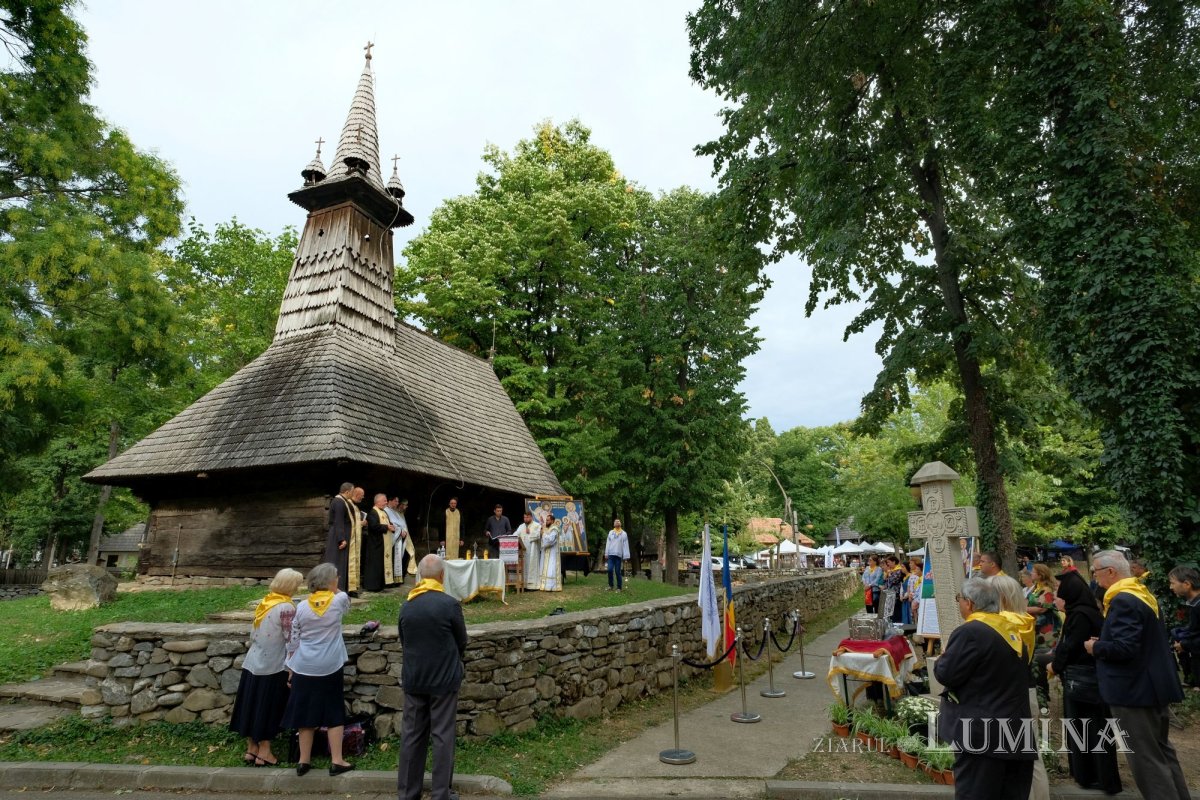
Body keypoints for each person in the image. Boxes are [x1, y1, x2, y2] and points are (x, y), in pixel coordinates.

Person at [1084, 550, 1188, 799]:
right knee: (1161, 752)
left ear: (1110, 572)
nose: (1094, 578)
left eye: (1095, 571)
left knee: (1145, 760)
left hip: (1134, 692)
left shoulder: (1123, 600)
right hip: (1151, 685)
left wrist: (1095, 647)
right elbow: (1141, 641)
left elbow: (1125, 648)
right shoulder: (1141, 594)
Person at [934, 577, 1036, 799]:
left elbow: (946, 674)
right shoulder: (1013, 630)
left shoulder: (970, 632)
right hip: (1015, 729)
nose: (959, 603)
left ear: (969, 603)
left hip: (981, 734)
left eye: (959, 599)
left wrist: (942, 658)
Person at [397, 554, 468, 800]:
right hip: (444, 679)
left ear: (420, 577)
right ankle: (440, 793)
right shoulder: (449, 604)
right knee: (442, 736)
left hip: (415, 678)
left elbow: (404, 641)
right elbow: (462, 641)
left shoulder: (407, 605)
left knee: (411, 736)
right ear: (441, 576)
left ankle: (407, 792)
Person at [1049, 569, 1121, 795]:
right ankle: (1090, 776)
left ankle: (1094, 777)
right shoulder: (1084, 611)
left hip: (1084, 681)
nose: (1057, 595)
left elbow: (1071, 646)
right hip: (1088, 679)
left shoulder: (1079, 615)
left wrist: (1055, 665)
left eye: (1060, 591)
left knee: (1088, 728)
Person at [281, 562, 354, 777]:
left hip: (304, 665)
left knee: (305, 713)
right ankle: (337, 760)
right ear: (330, 581)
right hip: (330, 664)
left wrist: (290, 667)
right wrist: (335, 588)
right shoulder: (338, 600)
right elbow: (346, 601)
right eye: (336, 577)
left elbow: (293, 639)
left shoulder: (302, 606)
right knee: (333, 711)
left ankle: (304, 761)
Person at [229, 567, 303, 767]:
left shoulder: (266, 602)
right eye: (296, 585)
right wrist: (293, 666)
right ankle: (265, 751)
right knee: (268, 706)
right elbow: (291, 638)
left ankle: (251, 748)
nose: (298, 588)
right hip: (274, 664)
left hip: (254, 660)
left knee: (251, 704)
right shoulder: (286, 607)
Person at [988, 575, 1048, 800]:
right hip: (1025, 689)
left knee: (1012, 762)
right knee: (1032, 757)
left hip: (1004, 696)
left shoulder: (1002, 623)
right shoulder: (1024, 620)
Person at [1022, 563, 1061, 709]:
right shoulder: (1037, 589)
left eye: (1034, 572)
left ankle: (1044, 699)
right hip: (1037, 632)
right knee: (1036, 667)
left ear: (1041, 574)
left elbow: (1042, 608)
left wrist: (1023, 609)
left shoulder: (1047, 590)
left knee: (1041, 664)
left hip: (1047, 634)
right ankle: (1042, 699)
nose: (1031, 574)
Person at [323, 482, 361, 593]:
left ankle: (341, 588)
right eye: (353, 492)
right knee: (337, 562)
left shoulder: (343, 501)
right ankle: (336, 588)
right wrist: (341, 539)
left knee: (342, 563)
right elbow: (338, 521)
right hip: (337, 537)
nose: (353, 494)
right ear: (347, 491)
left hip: (341, 535)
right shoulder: (339, 502)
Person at [361, 493, 393, 592]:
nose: (386, 502)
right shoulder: (373, 512)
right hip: (375, 544)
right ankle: (372, 586)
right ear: (378, 501)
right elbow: (373, 526)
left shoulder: (383, 512)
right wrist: (386, 527)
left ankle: (380, 585)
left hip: (383, 544)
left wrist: (391, 526)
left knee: (380, 565)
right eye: (384, 500)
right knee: (374, 565)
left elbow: (388, 523)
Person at [386, 497, 417, 585]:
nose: (397, 503)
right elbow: (392, 524)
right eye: (396, 501)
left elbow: (402, 524)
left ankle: (400, 577)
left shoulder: (399, 513)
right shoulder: (388, 511)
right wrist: (400, 531)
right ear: (390, 501)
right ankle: (394, 579)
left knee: (406, 555)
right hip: (394, 539)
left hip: (402, 538)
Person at [515, 510, 543, 590]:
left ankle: (532, 586)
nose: (525, 519)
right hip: (523, 551)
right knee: (524, 566)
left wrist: (530, 532)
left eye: (527, 517)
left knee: (532, 566)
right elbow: (516, 534)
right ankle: (523, 584)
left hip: (532, 551)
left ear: (531, 517)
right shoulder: (521, 526)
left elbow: (538, 535)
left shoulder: (537, 525)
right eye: (524, 517)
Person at [538, 515, 562, 591]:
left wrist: (543, 534)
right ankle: (544, 585)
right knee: (545, 568)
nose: (546, 521)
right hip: (546, 551)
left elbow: (551, 540)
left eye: (548, 520)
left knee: (551, 569)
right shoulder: (547, 528)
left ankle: (551, 586)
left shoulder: (555, 529)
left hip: (552, 552)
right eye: (546, 520)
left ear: (552, 521)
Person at [605, 519, 630, 591]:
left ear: (620, 523)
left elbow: (625, 545)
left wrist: (626, 556)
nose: (617, 522)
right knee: (609, 570)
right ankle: (610, 585)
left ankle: (619, 587)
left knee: (617, 571)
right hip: (611, 555)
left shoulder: (624, 534)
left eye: (618, 521)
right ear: (614, 524)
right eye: (615, 521)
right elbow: (608, 543)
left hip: (618, 556)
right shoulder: (610, 533)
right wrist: (606, 553)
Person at [882, 555, 907, 623]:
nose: (888, 564)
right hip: (890, 593)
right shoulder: (891, 571)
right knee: (891, 611)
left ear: (894, 562)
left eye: (889, 562)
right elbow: (886, 582)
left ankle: (898, 623)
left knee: (896, 610)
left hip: (896, 593)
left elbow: (893, 580)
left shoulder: (899, 570)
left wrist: (889, 575)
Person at [902, 558, 923, 625]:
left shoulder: (919, 577)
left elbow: (917, 589)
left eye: (911, 563)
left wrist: (912, 595)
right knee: (913, 614)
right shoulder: (912, 575)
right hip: (912, 596)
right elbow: (909, 585)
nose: (910, 564)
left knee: (917, 613)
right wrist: (909, 594)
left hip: (916, 598)